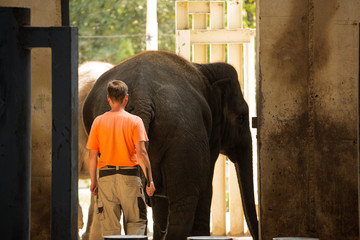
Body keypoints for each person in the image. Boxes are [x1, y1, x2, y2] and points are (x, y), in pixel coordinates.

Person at [86, 80, 155, 236]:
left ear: (108, 99)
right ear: (126, 98)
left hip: (106, 180)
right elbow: (141, 153)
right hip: (130, 178)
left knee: (110, 230)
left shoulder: (98, 122)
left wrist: (94, 181)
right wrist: (149, 180)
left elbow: (92, 156)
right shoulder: (135, 121)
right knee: (136, 224)